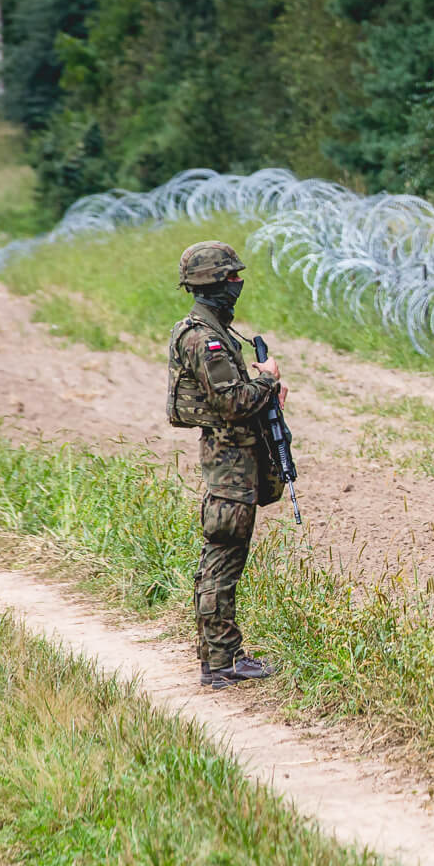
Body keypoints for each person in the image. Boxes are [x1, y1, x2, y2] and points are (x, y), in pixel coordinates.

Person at [166, 240, 286, 689]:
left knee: (223, 557)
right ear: (214, 283)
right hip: (229, 464)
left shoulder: (208, 330)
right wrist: (269, 382)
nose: (238, 282)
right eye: (231, 276)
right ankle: (221, 662)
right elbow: (233, 402)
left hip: (231, 460)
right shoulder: (206, 338)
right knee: (222, 558)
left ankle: (221, 656)